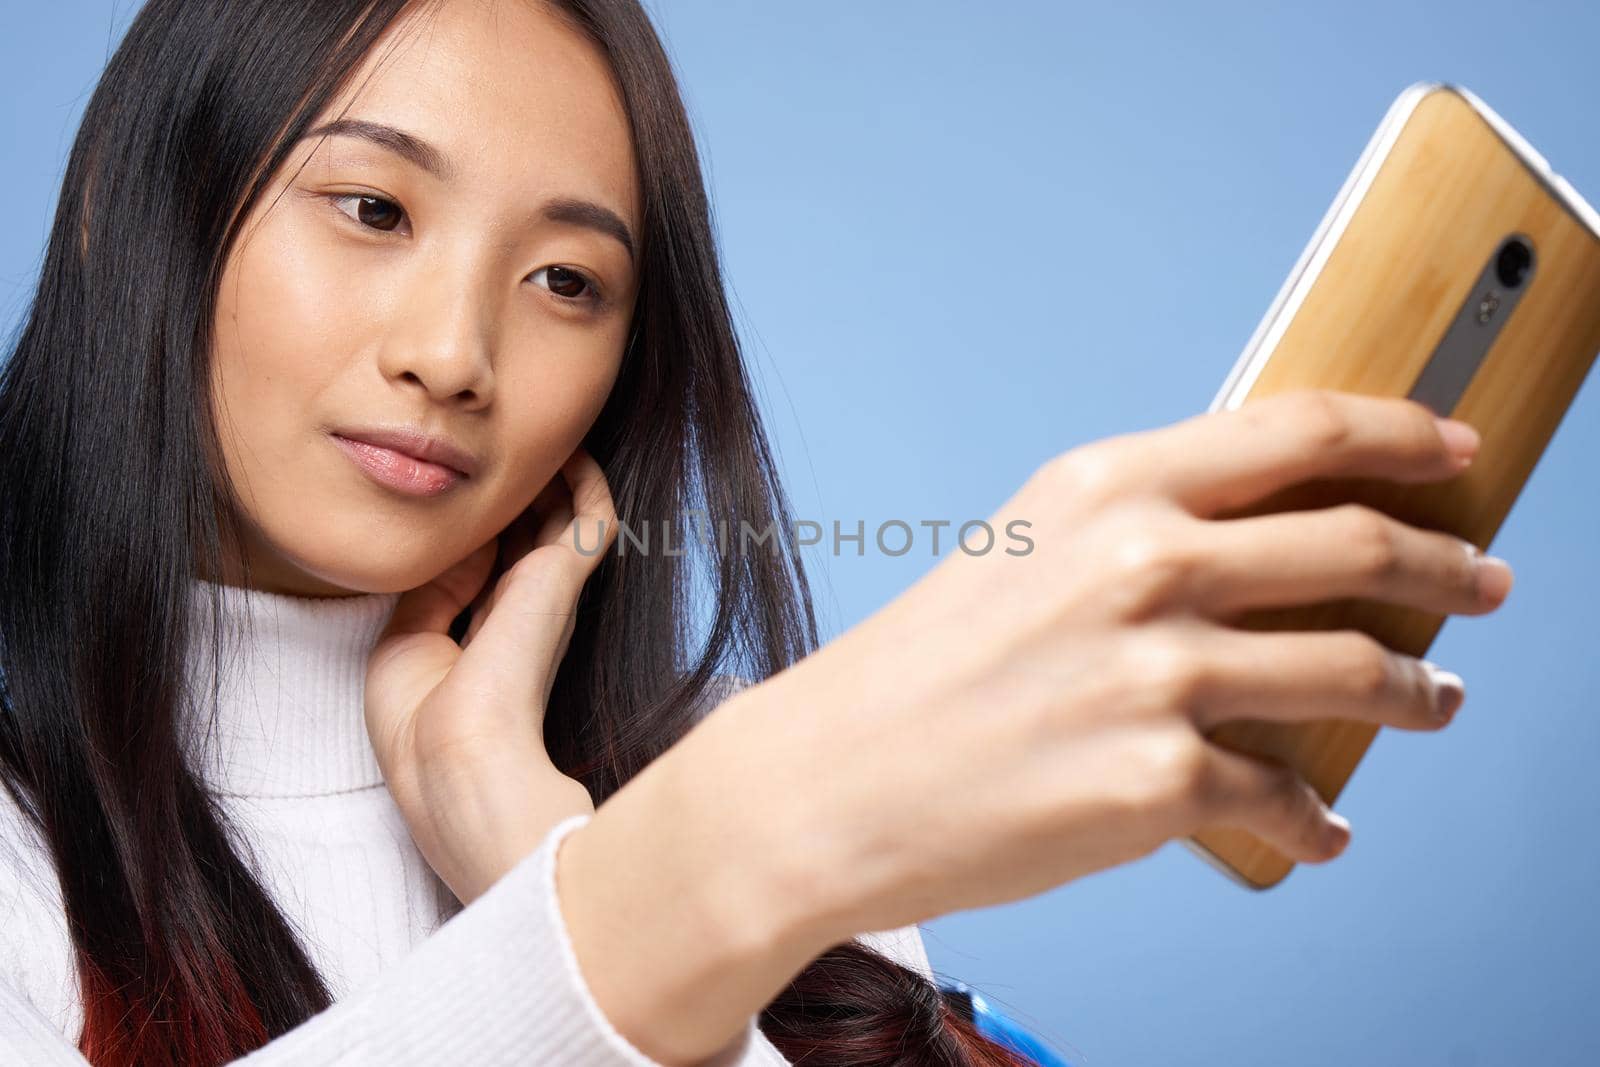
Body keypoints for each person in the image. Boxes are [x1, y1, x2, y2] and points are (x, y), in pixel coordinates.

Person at [0, 0, 1511, 1065]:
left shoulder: (704, 796)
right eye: (374, 209)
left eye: (567, 283)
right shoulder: (760, 816)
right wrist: (698, 871)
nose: (455, 353)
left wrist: (542, 849)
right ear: (127, 210)